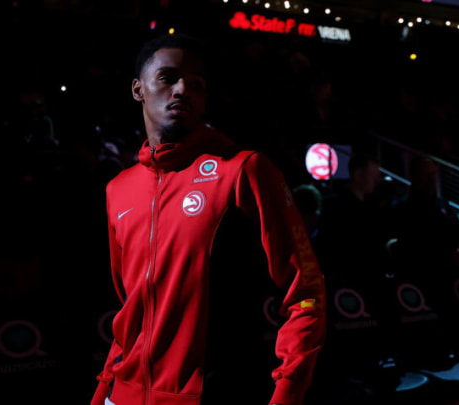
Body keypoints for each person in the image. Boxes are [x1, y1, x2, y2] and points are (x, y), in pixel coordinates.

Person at [90, 34, 326, 405]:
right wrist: (104, 388)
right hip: (123, 395)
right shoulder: (119, 189)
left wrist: (288, 392)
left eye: (196, 83)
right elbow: (130, 312)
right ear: (138, 89)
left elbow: (305, 292)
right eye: (168, 78)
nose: (183, 89)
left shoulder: (244, 170)